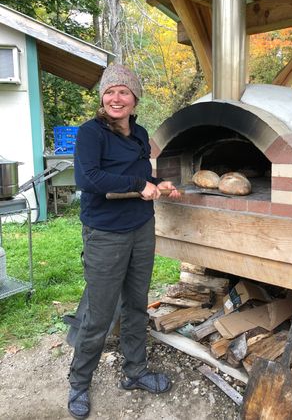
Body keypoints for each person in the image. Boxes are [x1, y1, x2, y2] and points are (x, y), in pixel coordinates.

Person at [68, 63, 180, 420]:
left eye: (124, 92)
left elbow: (140, 175)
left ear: (135, 99)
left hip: (140, 228)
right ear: (103, 97)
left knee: (136, 305)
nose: (117, 98)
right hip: (105, 233)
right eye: (110, 91)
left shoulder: (140, 132)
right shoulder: (91, 133)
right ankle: (79, 381)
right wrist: (138, 186)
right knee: (100, 313)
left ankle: (135, 372)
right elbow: (89, 178)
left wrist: (158, 182)